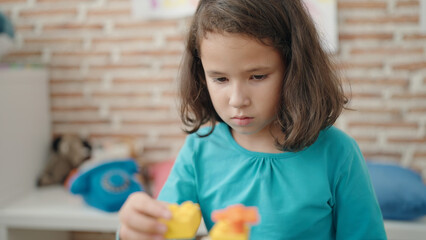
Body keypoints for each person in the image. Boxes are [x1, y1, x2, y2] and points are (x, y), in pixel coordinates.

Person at [117, 0, 387, 239]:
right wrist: (134, 229)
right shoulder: (199, 151)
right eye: (220, 79)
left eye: (257, 76)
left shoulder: (338, 153)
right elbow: (161, 230)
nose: (237, 99)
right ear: (201, 75)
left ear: (294, 69)